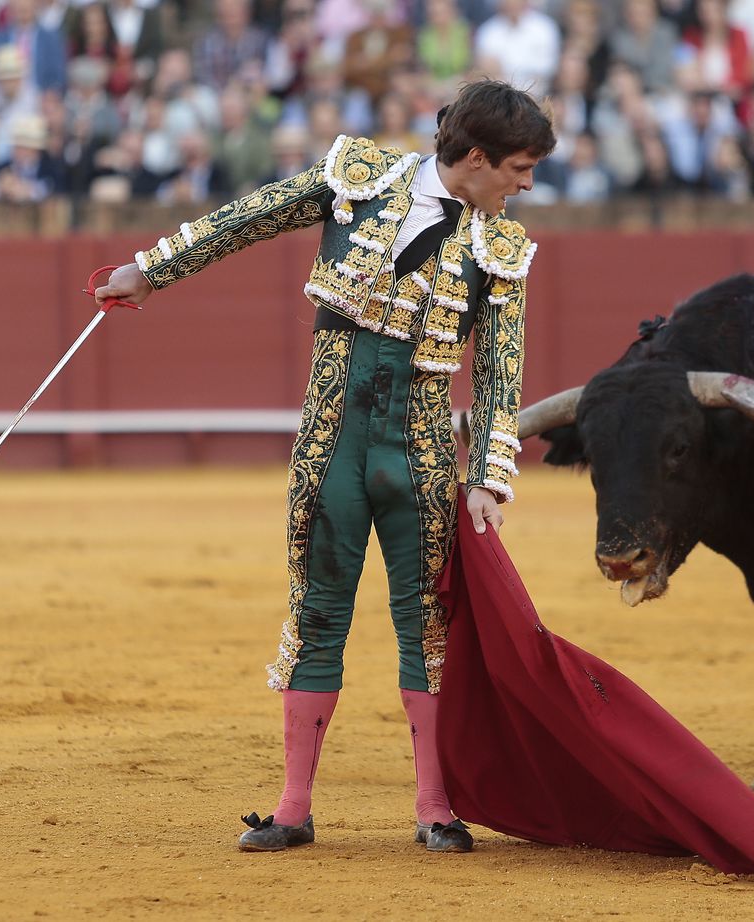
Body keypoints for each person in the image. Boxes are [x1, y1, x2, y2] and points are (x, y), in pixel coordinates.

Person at [92, 79, 553, 855]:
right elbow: (251, 216)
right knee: (317, 612)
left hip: (420, 453)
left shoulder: (501, 247)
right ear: (477, 157)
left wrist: (487, 477)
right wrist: (152, 269)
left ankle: (435, 806)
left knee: (426, 626)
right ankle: (293, 807)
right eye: (520, 167)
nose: (528, 185)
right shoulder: (358, 177)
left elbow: (501, 373)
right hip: (331, 441)